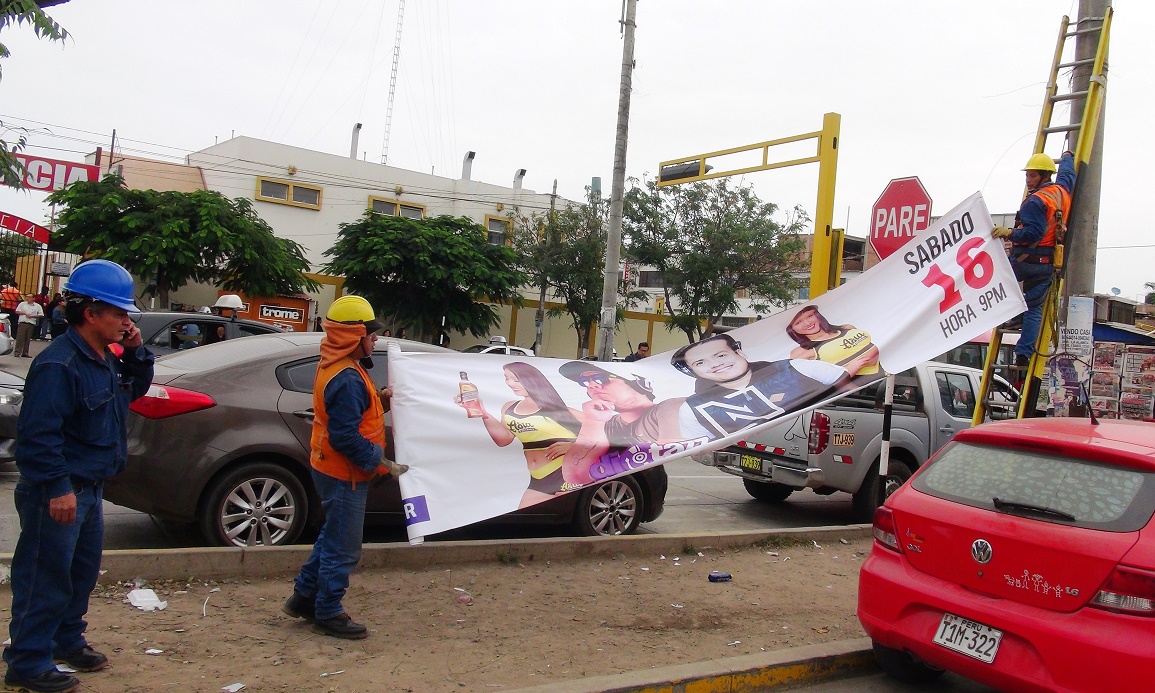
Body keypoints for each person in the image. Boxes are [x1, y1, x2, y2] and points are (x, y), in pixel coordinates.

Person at [4, 259, 154, 693]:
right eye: (120, 313)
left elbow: (134, 390)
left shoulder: (102, 358)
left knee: (80, 573)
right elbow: (38, 436)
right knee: (44, 576)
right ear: (91, 313)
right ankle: (28, 661)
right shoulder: (60, 364)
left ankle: (66, 641)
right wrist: (57, 488)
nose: (126, 321)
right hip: (61, 489)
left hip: (89, 487)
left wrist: (138, 351)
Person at [283, 295, 406, 641]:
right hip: (345, 475)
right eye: (371, 334)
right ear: (355, 337)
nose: (376, 339)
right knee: (344, 547)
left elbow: (351, 416)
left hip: (331, 470)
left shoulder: (337, 366)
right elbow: (344, 437)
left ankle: (304, 597)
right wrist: (381, 462)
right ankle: (328, 612)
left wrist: (379, 400)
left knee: (331, 536)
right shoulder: (348, 378)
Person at [671, 333, 847, 441]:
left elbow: (852, 388)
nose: (715, 364)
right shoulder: (692, 408)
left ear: (740, 353)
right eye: (700, 362)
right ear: (694, 372)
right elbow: (699, 447)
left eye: (721, 355)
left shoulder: (797, 368)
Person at [455, 362, 584, 507]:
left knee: (566, 520)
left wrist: (574, 446)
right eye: (507, 378)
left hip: (566, 473)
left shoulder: (558, 410)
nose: (510, 383)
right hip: (538, 479)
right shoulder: (509, 408)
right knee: (527, 521)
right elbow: (503, 440)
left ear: (532, 380)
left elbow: (604, 432)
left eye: (516, 379)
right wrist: (483, 413)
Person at [991, 150, 1076, 367]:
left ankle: (1011, 315)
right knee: (1034, 308)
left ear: (1045, 176)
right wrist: (1067, 157)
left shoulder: (1034, 202)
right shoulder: (1061, 192)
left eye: (1033, 176)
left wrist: (1008, 232)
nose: (1028, 180)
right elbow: (1067, 175)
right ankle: (1023, 353)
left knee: (996, 284)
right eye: (1027, 176)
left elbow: (1033, 233)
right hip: (1047, 263)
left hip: (1025, 262)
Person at [558, 362, 685, 486]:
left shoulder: (669, 407)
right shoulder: (609, 424)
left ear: (638, 383)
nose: (591, 385)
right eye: (585, 382)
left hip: (644, 484)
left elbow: (671, 447)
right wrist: (593, 422)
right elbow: (576, 476)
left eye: (601, 378)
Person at [786, 306, 880, 377]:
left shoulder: (847, 328)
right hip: (862, 385)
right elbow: (812, 379)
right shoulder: (801, 352)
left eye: (810, 316)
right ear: (791, 329)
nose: (807, 323)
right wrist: (847, 371)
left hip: (886, 371)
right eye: (798, 322)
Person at [14, 293, 44, 358]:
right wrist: (24, 313)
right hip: (23, 322)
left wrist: (33, 316)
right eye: (27, 297)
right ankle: (17, 352)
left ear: (33, 298)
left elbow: (41, 314)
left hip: (31, 322)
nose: (28, 298)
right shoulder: (22, 304)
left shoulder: (37, 306)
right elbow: (17, 311)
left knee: (27, 338)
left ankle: (25, 352)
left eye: (30, 297)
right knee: (20, 337)